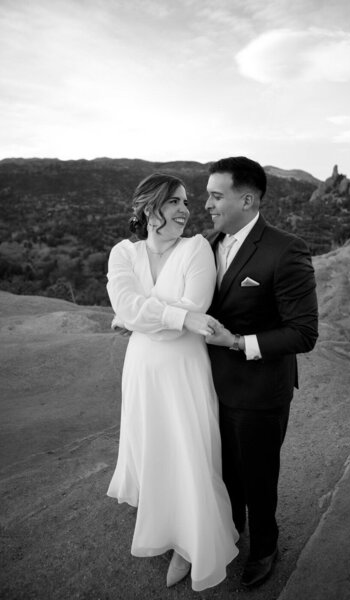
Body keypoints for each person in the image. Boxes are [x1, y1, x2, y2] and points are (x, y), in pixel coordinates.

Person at [106, 173, 238, 592]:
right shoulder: (122, 254)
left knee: (188, 447)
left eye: (186, 201)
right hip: (143, 367)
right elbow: (128, 305)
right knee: (153, 443)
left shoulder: (197, 248)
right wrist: (174, 318)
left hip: (184, 367)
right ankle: (162, 519)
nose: (185, 209)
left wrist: (142, 317)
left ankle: (190, 540)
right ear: (149, 208)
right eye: (174, 202)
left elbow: (195, 303)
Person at [204, 156, 318, 588]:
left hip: (259, 391)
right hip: (209, 385)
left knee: (257, 477)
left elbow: (304, 333)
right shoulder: (207, 244)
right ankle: (230, 531)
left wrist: (237, 343)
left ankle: (265, 546)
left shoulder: (285, 249)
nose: (209, 205)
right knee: (223, 469)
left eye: (217, 196)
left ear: (247, 199)